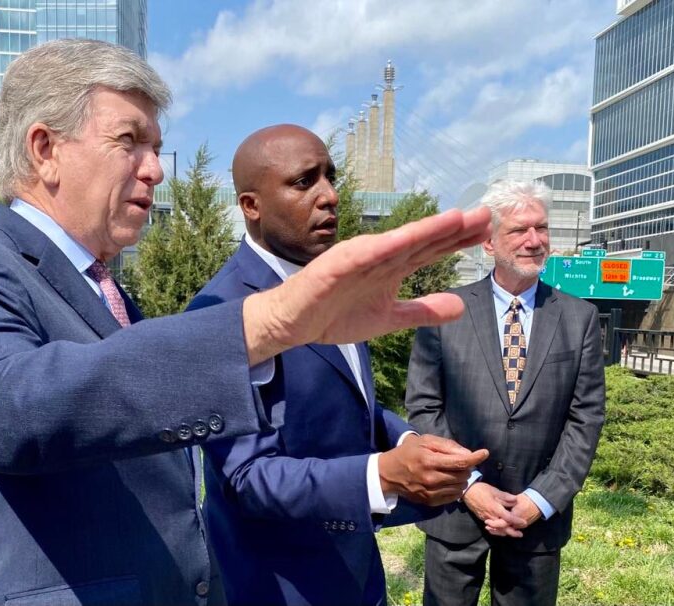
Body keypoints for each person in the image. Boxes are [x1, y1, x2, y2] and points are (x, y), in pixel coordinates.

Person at [0, 39, 491, 606]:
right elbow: (2, 409)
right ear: (45, 149)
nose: (156, 170)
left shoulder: (108, 293)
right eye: (129, 141)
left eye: (156, 146)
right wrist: (269, 323)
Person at [187, 124, 487, 606]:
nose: (329, 196)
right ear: (251, 205)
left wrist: (408, 440)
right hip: (279, 588)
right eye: (304, 182)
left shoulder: (337, 287)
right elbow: (245, 478)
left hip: (357, 574)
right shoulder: (219, 312)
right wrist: (383, 475)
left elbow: (351, 404)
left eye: (331, 177)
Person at [405, 179, 606, 606]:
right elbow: (423, 408)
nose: (534, 241)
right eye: (519, 230)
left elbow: (585, 419)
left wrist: (541, 499)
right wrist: (468, 485)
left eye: (542, 228)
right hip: (455, 509)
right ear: (488, 243)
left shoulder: (580, 318)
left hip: (534, 518)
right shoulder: (443, 311)